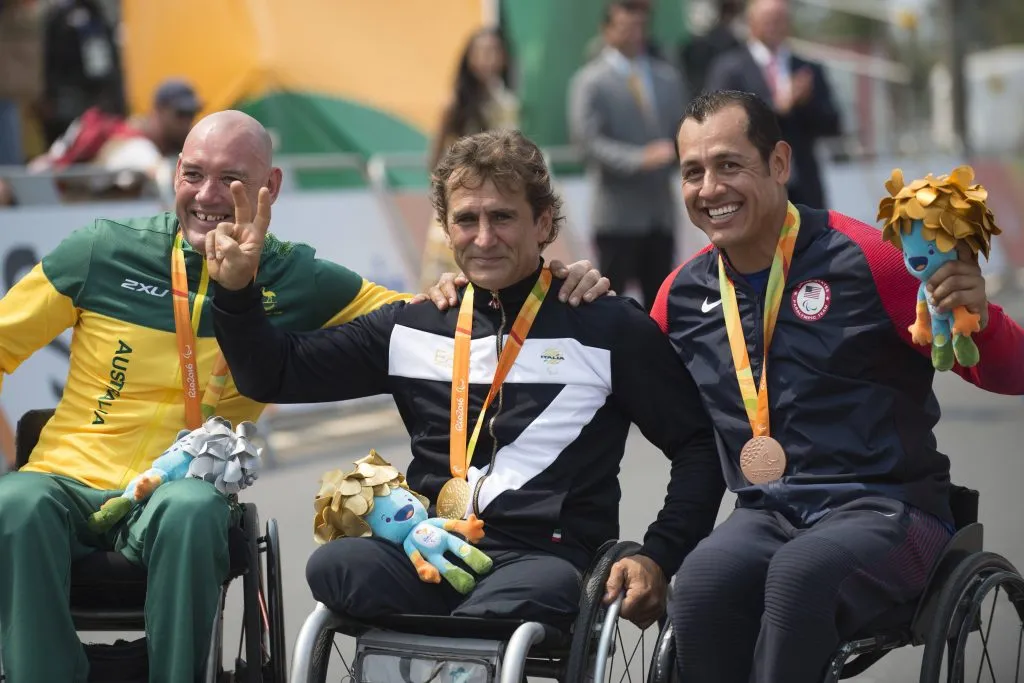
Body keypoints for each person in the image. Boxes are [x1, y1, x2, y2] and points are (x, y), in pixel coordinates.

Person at [0, 109, 605, 683]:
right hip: (68, 481)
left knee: (190, 510)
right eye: (193, 175)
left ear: (271, 186)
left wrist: (538, 284)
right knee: (14, 501)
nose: (208, 196)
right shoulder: (101, 249)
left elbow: (427, 320)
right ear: (174, 172)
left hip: (181, 494)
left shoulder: (295, 275)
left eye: (231, 179)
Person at [209, 129, 727, 630]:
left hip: (545, 560)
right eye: (466, 220)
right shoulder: (416, 323)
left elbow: (697, 445)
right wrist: (235, 292)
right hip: (430, 551)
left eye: (502, 217)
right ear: (445, 227)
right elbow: (273, 374)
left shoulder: (608, 326)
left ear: (544, 223)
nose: (483, 238)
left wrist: (659, 554)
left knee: (522, 598)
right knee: (335, 567)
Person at [651, 89, 1024, 682]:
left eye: (729, 165)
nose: (709, 189)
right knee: (700, 582)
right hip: (766, 515)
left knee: (802, 574)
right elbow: (619, 382)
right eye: (692, 172)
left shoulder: (872, 258)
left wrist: (984, 317)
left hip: (890, 511)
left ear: (778, 163)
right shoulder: (679, 297)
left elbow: (1009, 370)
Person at [568, 0, 690, 311]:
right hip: (616, 214)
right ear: (606, 30)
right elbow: (587, 142)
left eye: (639, 26)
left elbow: (683, 128)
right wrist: (639, 159)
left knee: (662, 301)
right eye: (625, 27)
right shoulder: (590, 80)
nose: (634, 34)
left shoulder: (668, 77)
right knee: (609, 301)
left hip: (659, 212)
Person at [705, 0, 841, 209]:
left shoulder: (807, 69)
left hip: (804, 187)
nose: (775, 26)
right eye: (768, 19)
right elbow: (720, 123)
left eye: (780, 20)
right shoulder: (729, 69)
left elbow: (833, 124)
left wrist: (805, 102)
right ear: (751, 22)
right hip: (753, 186)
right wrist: (776, 106)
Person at [421, 26, 519, 290]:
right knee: (446, 282)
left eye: (494, 51)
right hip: (462, 199)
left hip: (499, 199)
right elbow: (435, 159)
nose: (488, 58)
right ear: (469, 58)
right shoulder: (455, 103)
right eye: (481, 52)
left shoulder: (506, 100)